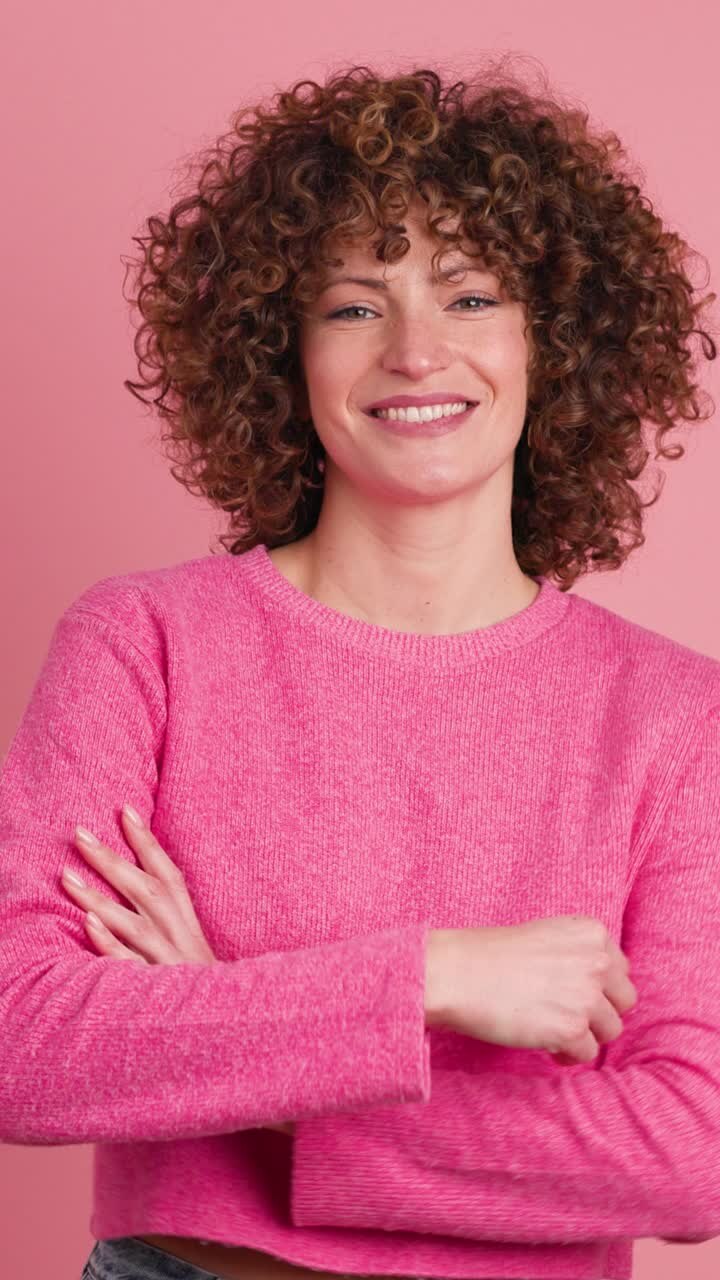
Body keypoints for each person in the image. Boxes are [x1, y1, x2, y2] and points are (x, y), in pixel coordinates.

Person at [1, 57, 719, 1280]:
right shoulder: (143, 642)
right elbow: (24, 1038)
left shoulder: (674, 713)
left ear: (559, 345)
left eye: (473, 295)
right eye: (351, 304)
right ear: (278, 352)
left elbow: (692, 1151)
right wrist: (436, 973)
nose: (416, 350)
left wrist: (255, 1064)